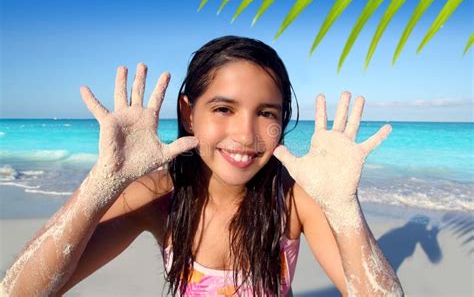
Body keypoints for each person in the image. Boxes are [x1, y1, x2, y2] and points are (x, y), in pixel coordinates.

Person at [1, 36, 403, 296]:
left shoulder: (294, 202)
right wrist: (100, 183)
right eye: (223, 108)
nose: (246, 134)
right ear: (188, 113)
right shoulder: (162, 197)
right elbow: (19, 291)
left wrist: (344, 209)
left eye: (266, 113)